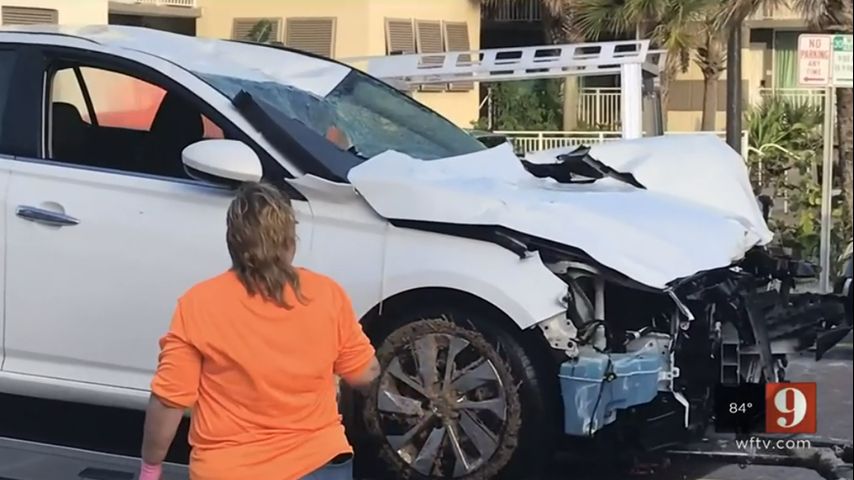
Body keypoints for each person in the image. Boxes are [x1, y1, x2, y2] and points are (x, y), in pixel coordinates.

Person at [138, 182, 380, 480]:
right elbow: (365, 374)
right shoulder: (327, 294)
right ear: (291, 241)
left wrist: (151, 467)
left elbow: (169, 400)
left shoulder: (199, 304)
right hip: (320, 461)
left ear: (232, 241)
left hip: (231, 469)